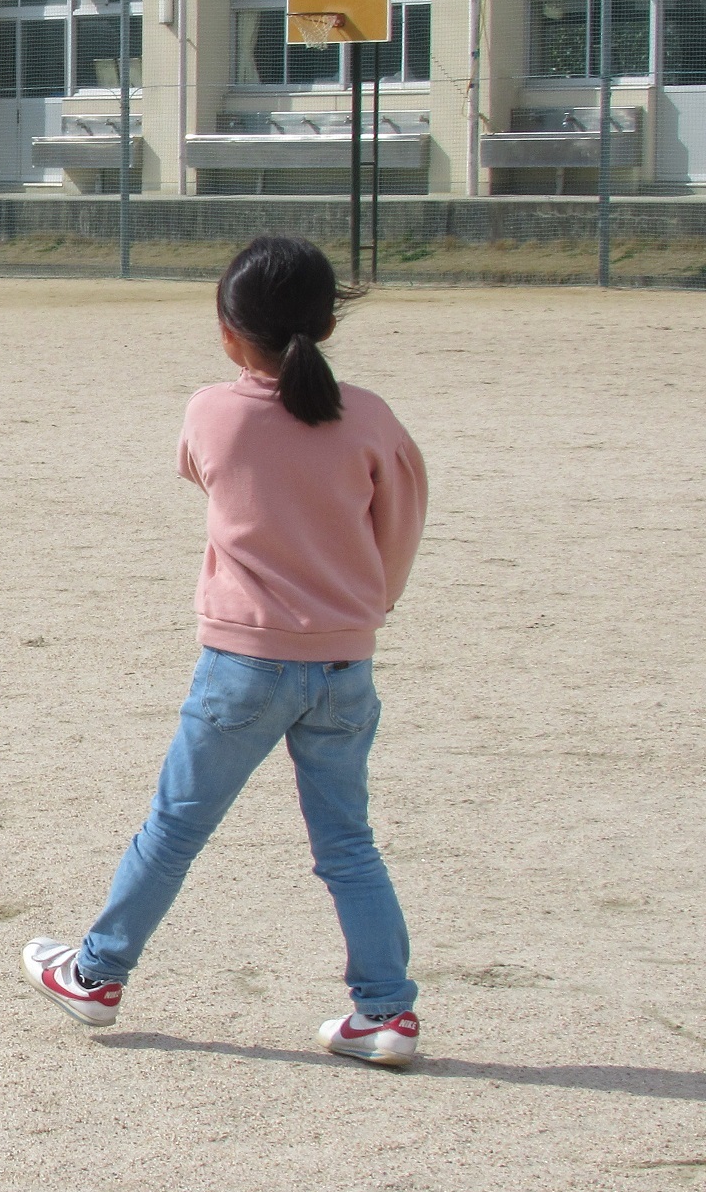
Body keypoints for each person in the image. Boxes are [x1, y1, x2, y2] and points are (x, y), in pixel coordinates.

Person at [23, 234, 430, 1067]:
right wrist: (369, 602)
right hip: (346, 667)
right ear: (327, 321)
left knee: (174, 829)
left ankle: (97, 974)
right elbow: (400, 526)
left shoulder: (213, 410)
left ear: (228, 330)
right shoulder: (374, 417)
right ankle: (386, 1011)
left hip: (244, 664)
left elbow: (205, 474)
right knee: (348, 843)